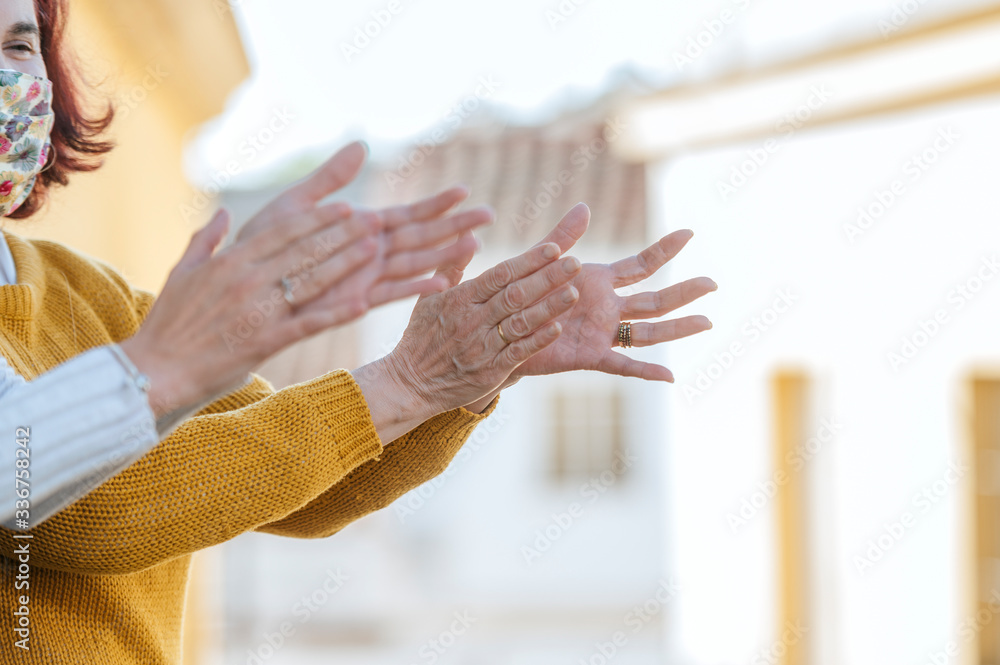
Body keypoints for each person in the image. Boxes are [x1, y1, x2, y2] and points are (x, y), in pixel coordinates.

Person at [0, 0, 717, 662]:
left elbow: (308, 491)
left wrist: (470, 369)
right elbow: (71, 508)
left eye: (20, 44)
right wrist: (405, 380)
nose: (9, 78)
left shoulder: (90, 294)